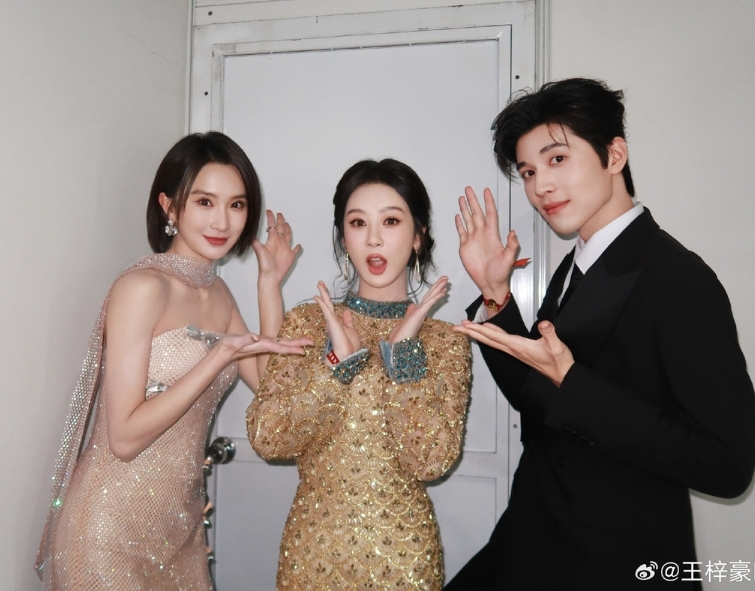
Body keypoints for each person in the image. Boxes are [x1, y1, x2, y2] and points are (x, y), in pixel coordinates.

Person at [446, 78, 755, 590]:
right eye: (529, 172)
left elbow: (726, 465)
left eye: (557, 159)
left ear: (614, 155)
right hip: (536, 536)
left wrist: (574, 383)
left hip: (616, 561)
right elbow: (541, 402)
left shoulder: (678, 278)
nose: (540, 186)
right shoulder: (574, 268)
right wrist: (495, 295)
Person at [36, 131, 311, 590]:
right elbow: (124, 438)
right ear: (169, 207)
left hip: (179, 533)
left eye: (237, 205)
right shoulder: (142, 288)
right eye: (204, 202)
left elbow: (271, 387)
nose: (222, 220)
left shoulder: (217, 292)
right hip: (106, 532)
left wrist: (269, 286)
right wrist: (216, 357)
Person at [247, 158, 471, 590]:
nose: (373, 238)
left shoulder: (444, 341)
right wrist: (335, 368)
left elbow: (430, 461)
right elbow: (268, 438)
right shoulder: (309, 323)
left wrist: (403, 356)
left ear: (418, 236)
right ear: (343, 237)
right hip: (313, 556)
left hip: (405, 560)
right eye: (357, 222)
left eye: (391, 221)